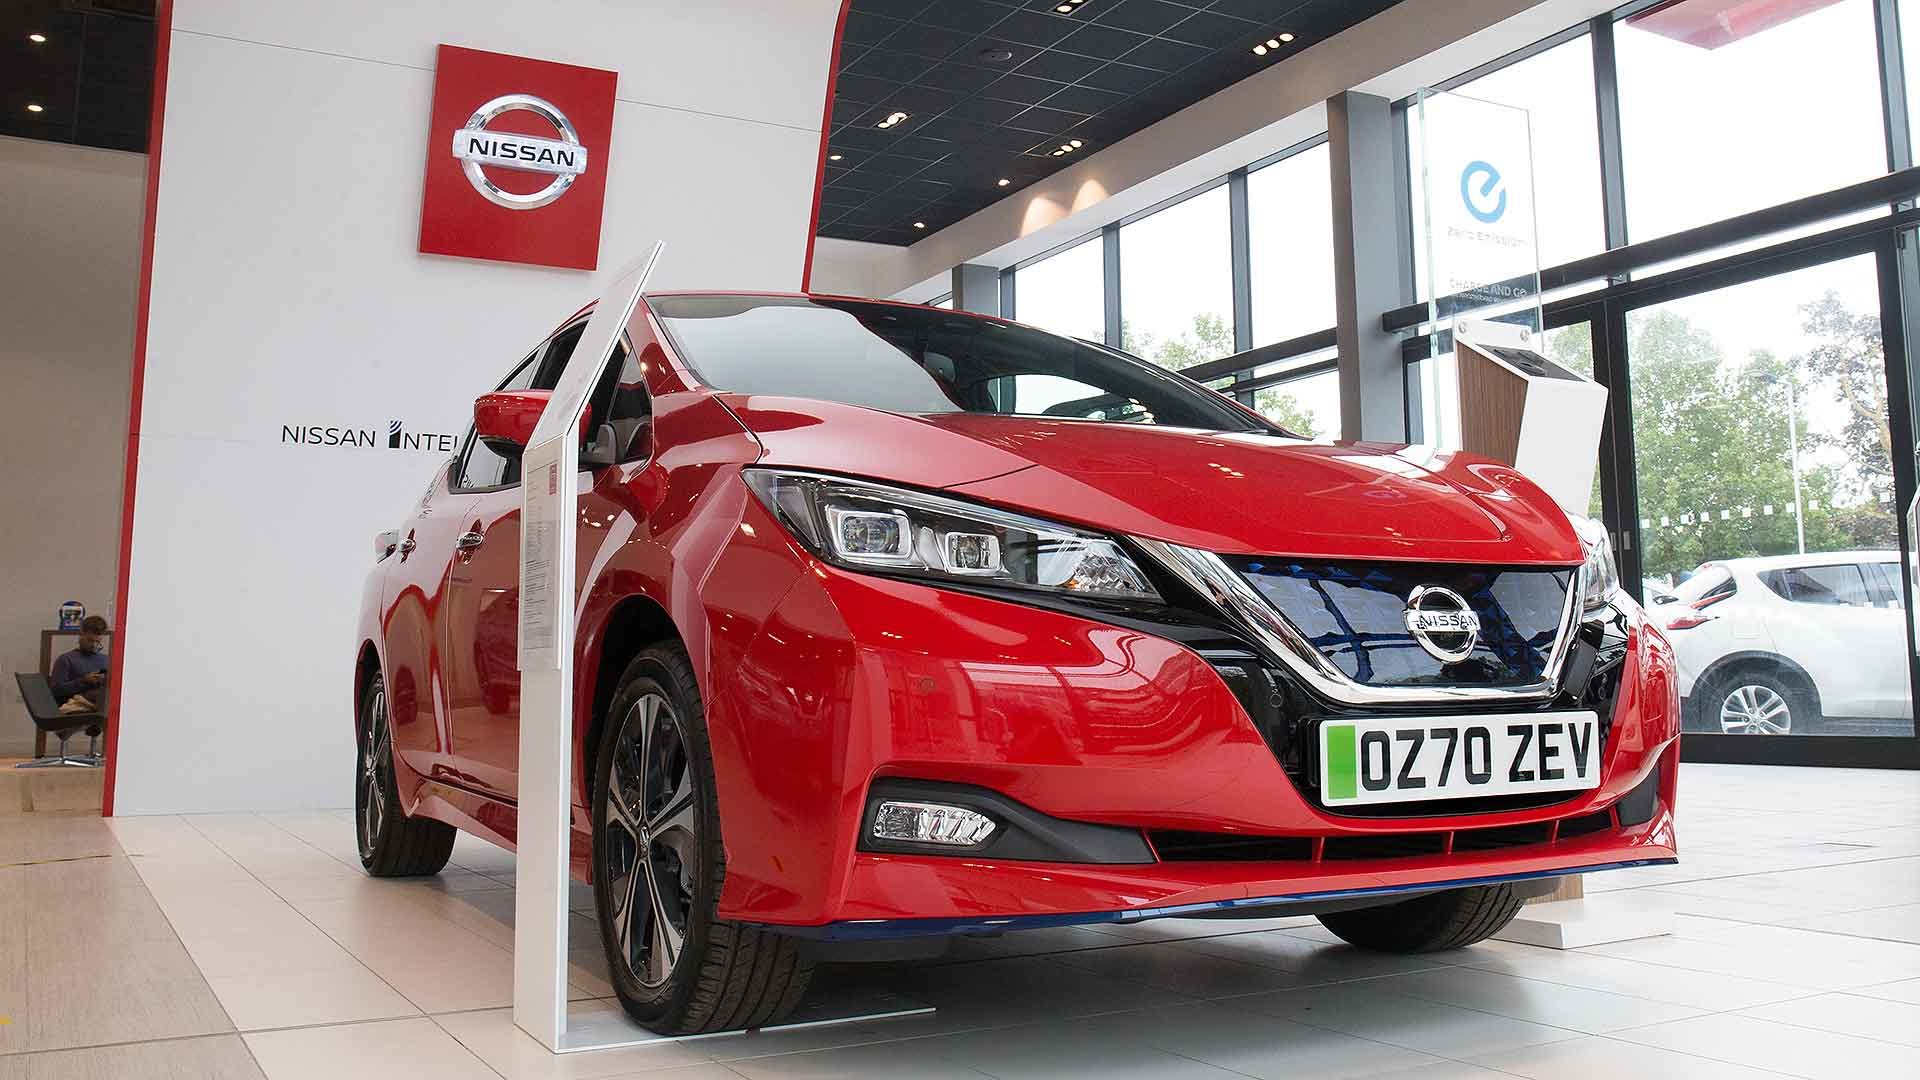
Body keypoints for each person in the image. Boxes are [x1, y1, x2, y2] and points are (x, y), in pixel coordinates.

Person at [50, 615, 110, 707]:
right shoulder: (66, 659)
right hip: (76, 707)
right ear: (81, 634)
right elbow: (56, 690)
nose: (94, 645)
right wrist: (83, 681)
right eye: (90, 641)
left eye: (98, 642)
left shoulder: (106, 660)